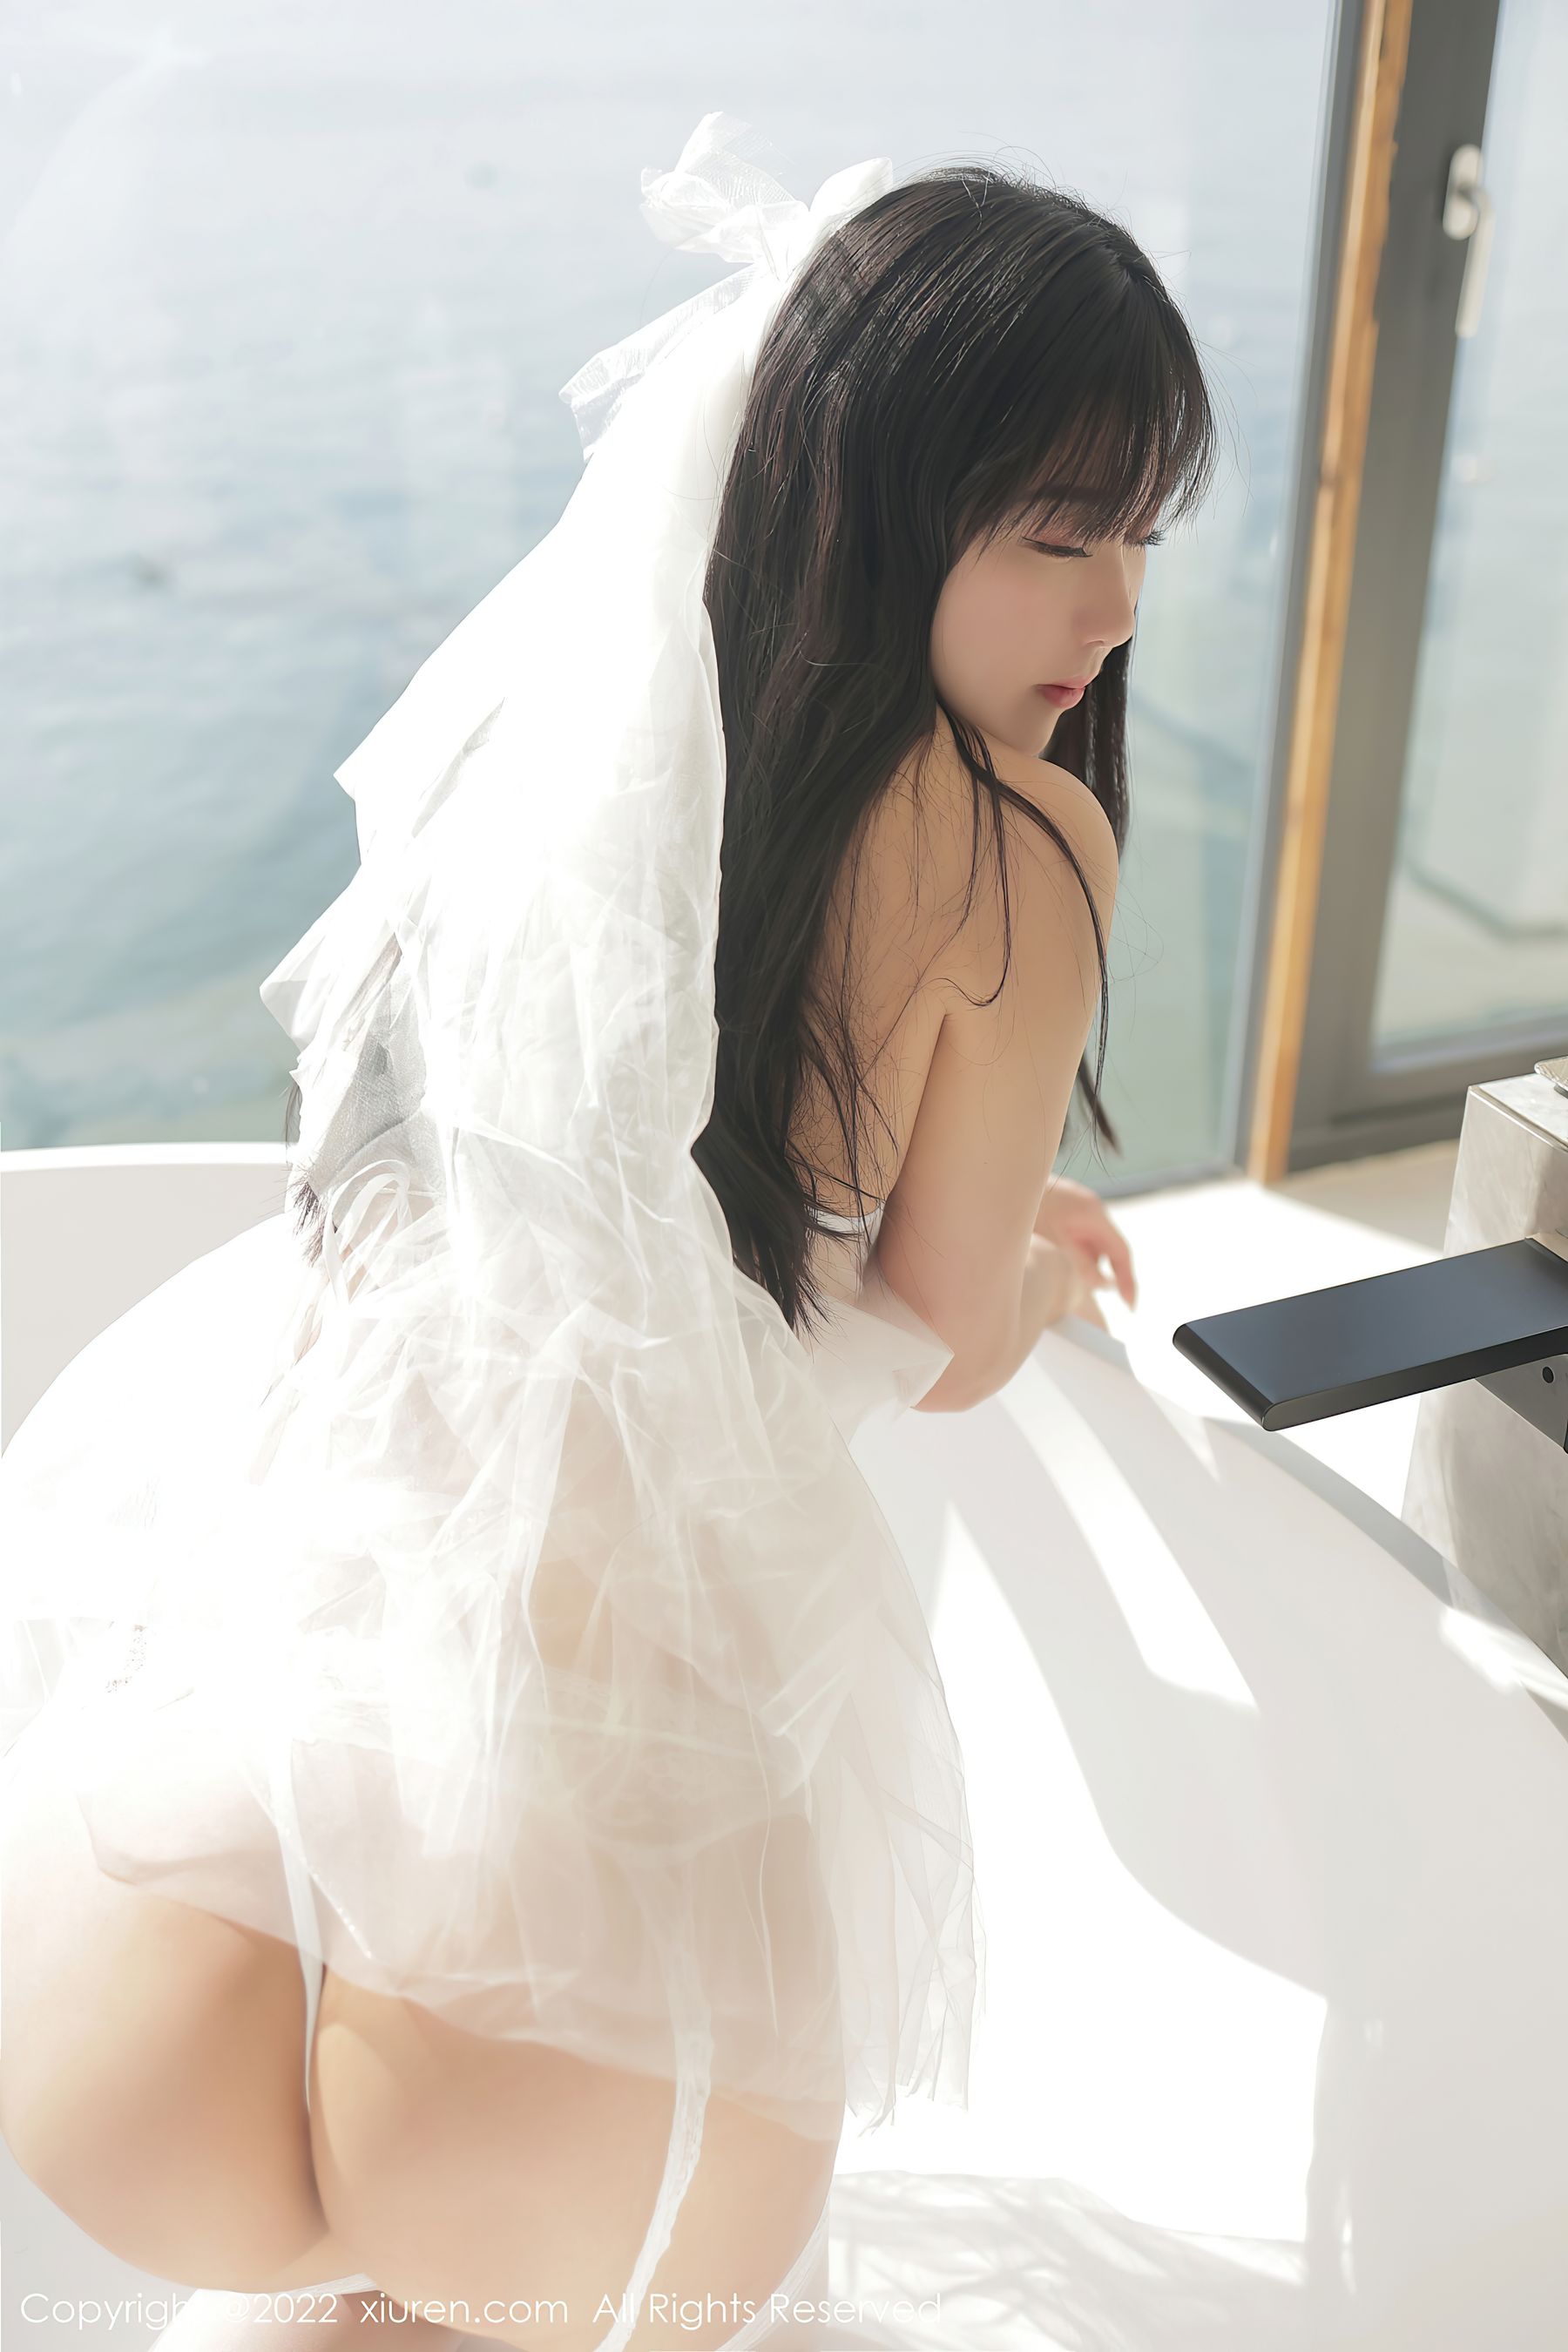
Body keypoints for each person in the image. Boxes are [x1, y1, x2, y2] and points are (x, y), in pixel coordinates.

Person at [0, 112, 1217, 2348]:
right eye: (1061, 535)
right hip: (554, 1941)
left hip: (172, 1905)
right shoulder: (1018, 848)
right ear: (889, 503)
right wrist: (1036, 1269)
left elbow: (617, 1158)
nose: (1117, 608)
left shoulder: (573, 755)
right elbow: (940, 1333)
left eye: (1142, 534)